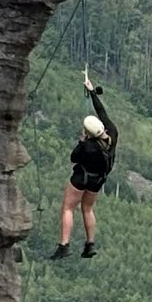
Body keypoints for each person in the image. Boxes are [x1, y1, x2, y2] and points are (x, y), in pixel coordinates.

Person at [50, 75, 118, 259]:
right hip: (98, 180)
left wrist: (81, 141)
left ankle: (64, 245)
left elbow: (73, 158)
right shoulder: (112, 133)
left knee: (68, 208)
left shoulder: (87, 146)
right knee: (87, 208)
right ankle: (90, 244)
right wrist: (92, 92)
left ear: (87, 133)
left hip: (81, 178)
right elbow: (102, 112)